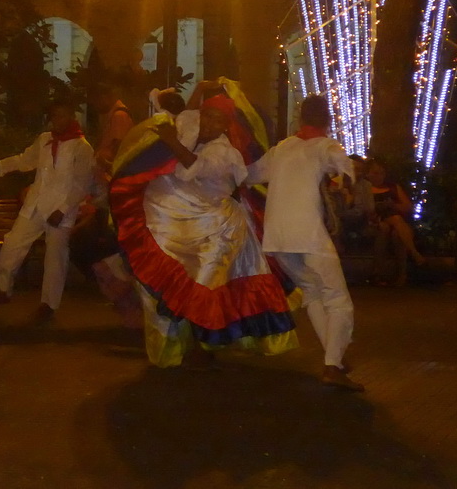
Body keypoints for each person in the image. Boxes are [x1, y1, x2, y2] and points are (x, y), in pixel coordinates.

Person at [111, 95, 298, 367]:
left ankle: (205, 343)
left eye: (218, 119)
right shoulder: (192, 132)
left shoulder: (225, 152)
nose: (210, 123)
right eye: (207, 115)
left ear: (226, 125)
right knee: (179, 282)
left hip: (219, 228)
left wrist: (171, 141)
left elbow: (194, 167)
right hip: (187, 219)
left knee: (204, 285)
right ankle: (183, 344)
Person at [247, 94, 363, 391]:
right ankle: (332, 365)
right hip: (308, 234)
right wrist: (342, 184)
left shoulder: (282, 148)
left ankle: (332, 358)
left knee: (312, 293)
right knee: (338, 301)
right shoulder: (327, 146)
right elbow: (346, 171)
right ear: (327, 120)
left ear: (300, 117)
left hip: (278, 237)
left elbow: (247, 176)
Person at [0, 99, 101, 323]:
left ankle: (48, 304)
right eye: (54, 116)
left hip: (60, 210)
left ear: (71, 117)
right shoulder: (44, 140)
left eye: (63, 116)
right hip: (35, 205)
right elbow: (25, 161)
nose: (58, 121)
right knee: (13, 242)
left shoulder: (82, 147)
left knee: (55, 258)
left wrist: (64, 208)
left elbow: (81, 183)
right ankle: (2, 288)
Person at [361, 158, 426, 287]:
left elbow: (408, 207)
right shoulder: (365, 189)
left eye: (381, 173)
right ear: (368, 173)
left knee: (397, 232)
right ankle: (414, 253)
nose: (379, 176)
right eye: (375, 173)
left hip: (396, 223)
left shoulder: (393, 188)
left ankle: (402, 274)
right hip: (376, 222)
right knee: (390, 223)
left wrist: (393, 205)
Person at [92, 84, 133, 177]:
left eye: (96, 101)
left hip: (112, 173)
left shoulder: (119, 115)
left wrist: (107, 164)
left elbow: (119, 144)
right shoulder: (113, 115)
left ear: (104, 97)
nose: (96, 106)